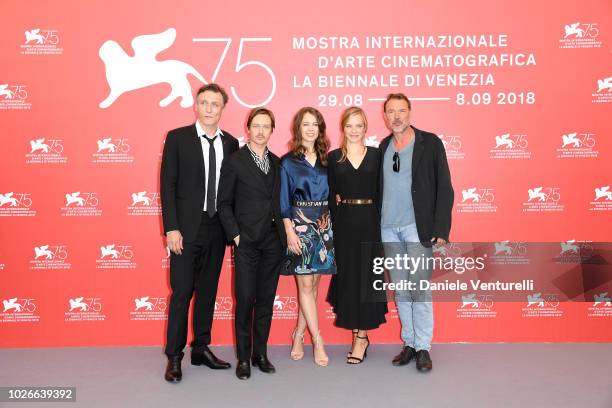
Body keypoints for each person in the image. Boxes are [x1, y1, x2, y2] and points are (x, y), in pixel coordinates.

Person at [160, 83, 239, 382]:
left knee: (207, 293)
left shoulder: (231, 144)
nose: (209, 109)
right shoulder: (177, 138)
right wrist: (171, 228)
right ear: (196, 105)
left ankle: (201, 348)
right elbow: (167, 185)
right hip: (185, 231)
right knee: (182, 293)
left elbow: (232, 192)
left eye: (215, 104)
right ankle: (174, 356)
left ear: (222, 109)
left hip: (217, 230)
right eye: (204, 103)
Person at [379, 93, 454, 372]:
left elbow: (445, 187)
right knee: (401, 289)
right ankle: (409, 344)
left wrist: (440, 227)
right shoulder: (384, 146)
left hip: (416, 228)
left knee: (419, 288)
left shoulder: (430, 143)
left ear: (410, 113)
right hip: (388, 229)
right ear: (385, 116)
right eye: (391, 112)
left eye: (401, 111)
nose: (396, 116)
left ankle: (423, 347)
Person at [217, 107, 286, 380]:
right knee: (245, 299)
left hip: (273, 241)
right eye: (256, 126)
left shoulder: (279, 163)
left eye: (266, 126)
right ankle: (243, 358)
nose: (260, 131)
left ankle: (260, 354)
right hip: (246, 241)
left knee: (266, 301)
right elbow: (223, 203)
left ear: (271, 130)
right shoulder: (235, 161)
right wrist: (235, 235)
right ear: (248, 129)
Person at [327, 106, 387, 364]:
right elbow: (330, 196)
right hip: (344, 223)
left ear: (365, 128)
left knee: (366, 277)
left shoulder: (377, 155)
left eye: (358, 126)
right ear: (343, 128)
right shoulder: (333, 158)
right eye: (349, 126)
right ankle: (356, 334)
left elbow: (384, 192)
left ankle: (361, 337)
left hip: (370, 221)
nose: (354, 131)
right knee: (350, 279)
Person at [280, 107, 336, 367]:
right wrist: (289, 231)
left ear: (320, 129)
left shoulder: (328, 160)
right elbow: (283, 201)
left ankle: (298, 334)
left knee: (312, 286)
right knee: (304, 286)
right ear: (298, 129)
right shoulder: (288, 162)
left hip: (324, 225)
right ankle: (318, 340)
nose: (311, 129)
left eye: (315, 124)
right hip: (300, 227)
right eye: (306, 124)